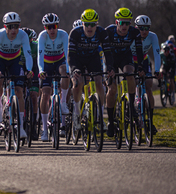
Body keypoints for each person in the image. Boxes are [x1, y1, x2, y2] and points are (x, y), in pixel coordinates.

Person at [68, 9, 114, 131]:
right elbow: (71, 56)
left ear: (96, 24)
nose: (90, 27)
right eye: (87, 24)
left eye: (92, 24)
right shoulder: (75, 33)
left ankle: (100, 117)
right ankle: (77, 114)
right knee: (78, 83)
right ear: (82, 24)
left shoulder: (101, 33)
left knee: (99, 82)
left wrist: (109, 67)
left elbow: (107, 52)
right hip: (77, 59)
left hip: (93, 59)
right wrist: (74, 69)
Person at [0, 12, 33, 139]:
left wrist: (29, 70)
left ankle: (20, 126)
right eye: (10, 26)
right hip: (1, 61)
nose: (13, 30)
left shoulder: (23, 35)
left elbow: (28, 54)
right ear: (5, 27)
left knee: (19, 91)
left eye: (16, 26)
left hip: (15, 61)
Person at [105, 8, 144, 137]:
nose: (125, 26)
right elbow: (105, 52)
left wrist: (140, 67)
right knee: (112, 89)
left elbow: (139, 51)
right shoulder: (109, 31)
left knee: (130, 74)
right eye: (122, 23)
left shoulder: (134, 32)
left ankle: (131, 106)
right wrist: (109, 68)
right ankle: (110, 120)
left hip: (125, 57)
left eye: (127, 23)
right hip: (111, 59)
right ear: (117, 22)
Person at [37, 13, 70, 141]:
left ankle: (62, 103)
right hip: (46, 64)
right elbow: (39, 57)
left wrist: (67, 70)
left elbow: (67, 56)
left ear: (58, 26)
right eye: (48, 27)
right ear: (45, 28)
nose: (51, 30)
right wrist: (40, 71)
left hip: (60, 61)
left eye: (54, 26)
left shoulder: (63, 35)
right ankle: (44, 129)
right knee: (45, 94)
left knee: (64, 71)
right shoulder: (42, 36)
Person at [131, 15, 161, 127]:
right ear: (136, 27)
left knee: (148, 85)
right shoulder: (131, 35)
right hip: (131, 61)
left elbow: (157, 54)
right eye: (141, 28)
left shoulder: (153, 36)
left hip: (144, 60)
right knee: (132, 82)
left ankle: (151, 121)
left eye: (147, 28)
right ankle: (132, 106)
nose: (144, 31)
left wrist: (157, 70)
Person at [20, 27, 39, 140]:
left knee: (33, 96)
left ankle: (33, 127)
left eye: (30, 40)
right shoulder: (17, 46)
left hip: (33, 69)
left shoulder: (35, 46)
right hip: (20, 69)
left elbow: (38, 63)